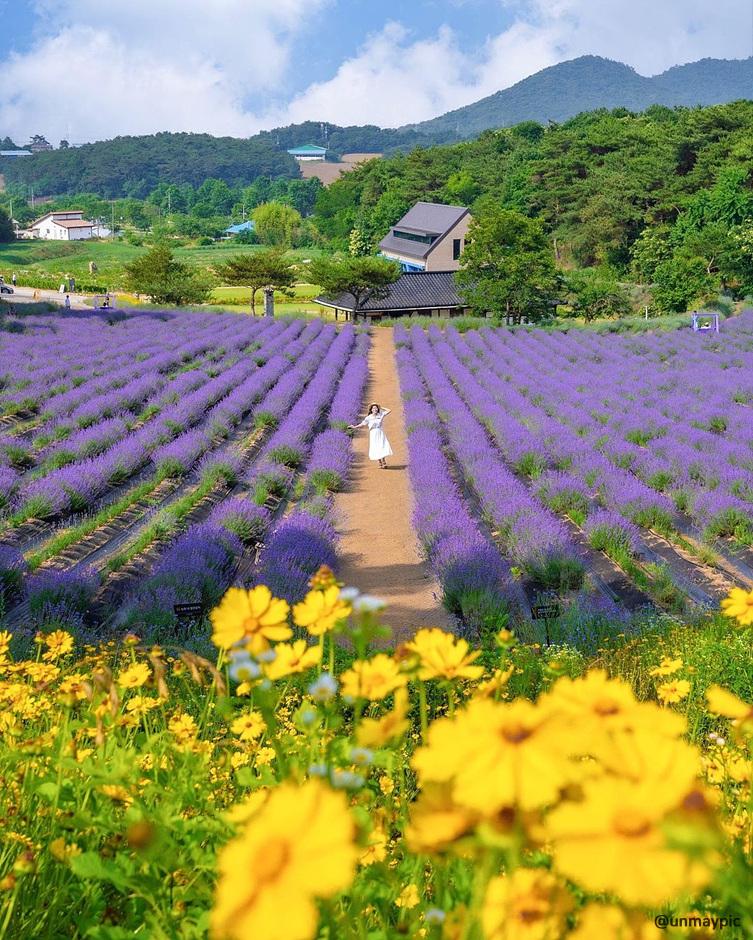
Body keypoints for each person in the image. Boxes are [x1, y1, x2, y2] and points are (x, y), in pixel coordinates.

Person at [349, 403, 393, 469]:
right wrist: (355, 427)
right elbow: (362, 424)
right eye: (373, 408)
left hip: (380, 432)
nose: (375, 409)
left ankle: (384, 462)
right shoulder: (369, 418)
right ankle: (380, 462)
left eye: (376, 408)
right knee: (375, 447)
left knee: (381, 446)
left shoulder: (380, 415)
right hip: (373, 433)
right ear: (371, 410)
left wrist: (381, 407)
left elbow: (389, 410)